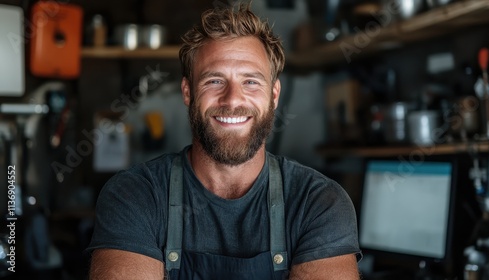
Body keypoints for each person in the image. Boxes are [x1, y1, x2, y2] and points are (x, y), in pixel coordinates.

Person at [86, 2, 362, 279]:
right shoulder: (135, 195)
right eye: (214, 81)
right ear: (187, 92)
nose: (232, 100)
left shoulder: (318, 202)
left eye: (251, 82)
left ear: (274, 95)